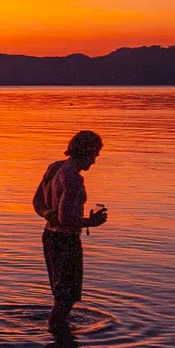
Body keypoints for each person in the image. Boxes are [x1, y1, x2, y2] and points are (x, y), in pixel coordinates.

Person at [33, 129, 108, 332]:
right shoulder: (74, 178)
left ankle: (57, 332)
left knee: (61, 295)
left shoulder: (54, 168)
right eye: (95, 155)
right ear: (86, 151)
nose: (94, 161)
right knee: (67, 298)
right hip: (66, 241)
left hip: (49, 237)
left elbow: (37, 202)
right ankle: (58, 333)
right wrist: (92, 222)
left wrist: (47, 212)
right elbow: (65, 219)